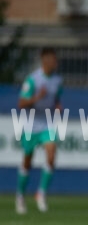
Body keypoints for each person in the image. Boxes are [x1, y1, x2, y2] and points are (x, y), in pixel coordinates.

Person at [15, 47, 63, 215]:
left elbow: (56, 98)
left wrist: (57, 106)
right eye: (52, 60)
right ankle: (20, 195)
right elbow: (21, 103)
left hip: (47, 123)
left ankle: (40, 193)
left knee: (51, 154)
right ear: (45, 61)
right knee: (27, 161)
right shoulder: (33, 80)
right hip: (30, 124)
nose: (55, 63)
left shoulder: (57, 80)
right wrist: (37, 97)